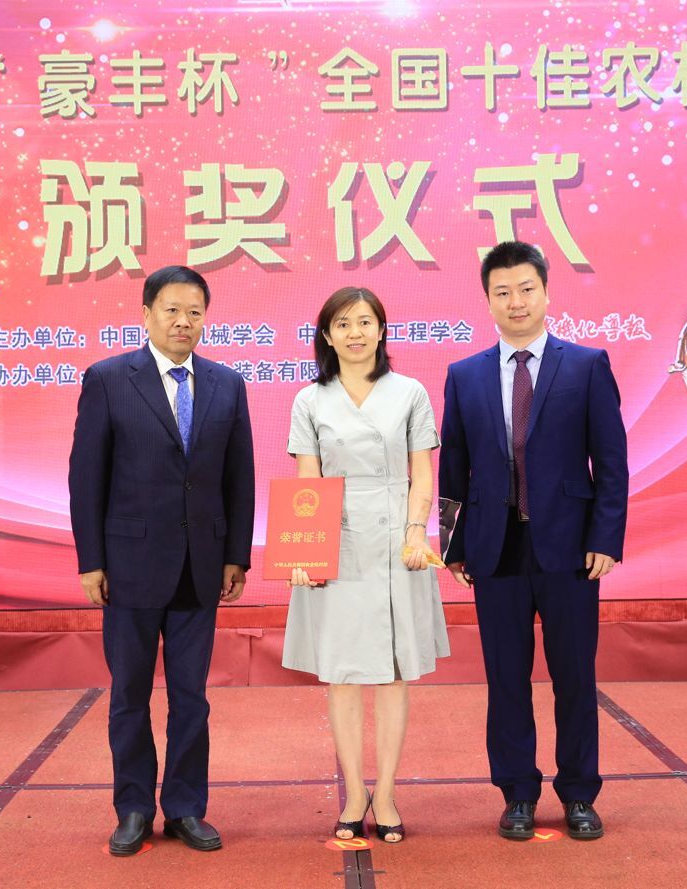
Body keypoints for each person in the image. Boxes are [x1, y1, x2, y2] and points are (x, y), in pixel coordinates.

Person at [439, 241, 628, 842]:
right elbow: (453, 467)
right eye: (502, 292)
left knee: (574, 676)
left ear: (546, 293)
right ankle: (517, 792)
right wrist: (453, 544)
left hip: (570, 548)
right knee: (506, 679)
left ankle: (579, 793)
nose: (515, 301)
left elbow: (611, 461)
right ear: (487, 300)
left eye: (526, 289)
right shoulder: (465, 375)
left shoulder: (586, 365)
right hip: (495, 549)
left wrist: (606, 537)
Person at [68, 265, 255, 856]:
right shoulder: (108, 379)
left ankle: (184, 807)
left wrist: (236, 555)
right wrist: (91, 561)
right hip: (128, 566)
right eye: (171, 310)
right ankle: (131, 808)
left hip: (201, 567)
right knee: (129, 693)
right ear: (146, 313)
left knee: (191, 696)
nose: (183, 321)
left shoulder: (227, 384)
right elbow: (86, 477)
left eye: (194, 312)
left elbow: (239, 477)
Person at [283, 286, 450, 844]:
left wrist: (416, 531)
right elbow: (307, 481)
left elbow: (422, 472)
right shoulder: (310, 400)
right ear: (326, 336)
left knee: (395, 674)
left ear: (381, 329)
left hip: (398, 542)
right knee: (342, 674)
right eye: (343, 324)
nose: (355, 333)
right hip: (338, 541)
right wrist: (306, 549)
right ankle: (355, 792)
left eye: (364, 322)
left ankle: (388, 792)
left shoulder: (410, 392)